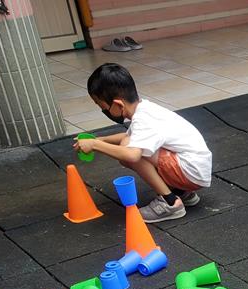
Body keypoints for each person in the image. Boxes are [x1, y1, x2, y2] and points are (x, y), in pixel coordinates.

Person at [76, 63, 213, 223]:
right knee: (129, 143)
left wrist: (95, 146)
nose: (103, 110)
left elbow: (132, 155)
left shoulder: (144, 120)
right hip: (195, 168)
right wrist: (99, 140)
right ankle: (181, 192)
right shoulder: (146, 109)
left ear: (118, 104)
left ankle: (170, 202)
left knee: (128, 151)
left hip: (191, 171)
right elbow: (128, 136)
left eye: (102, 106)